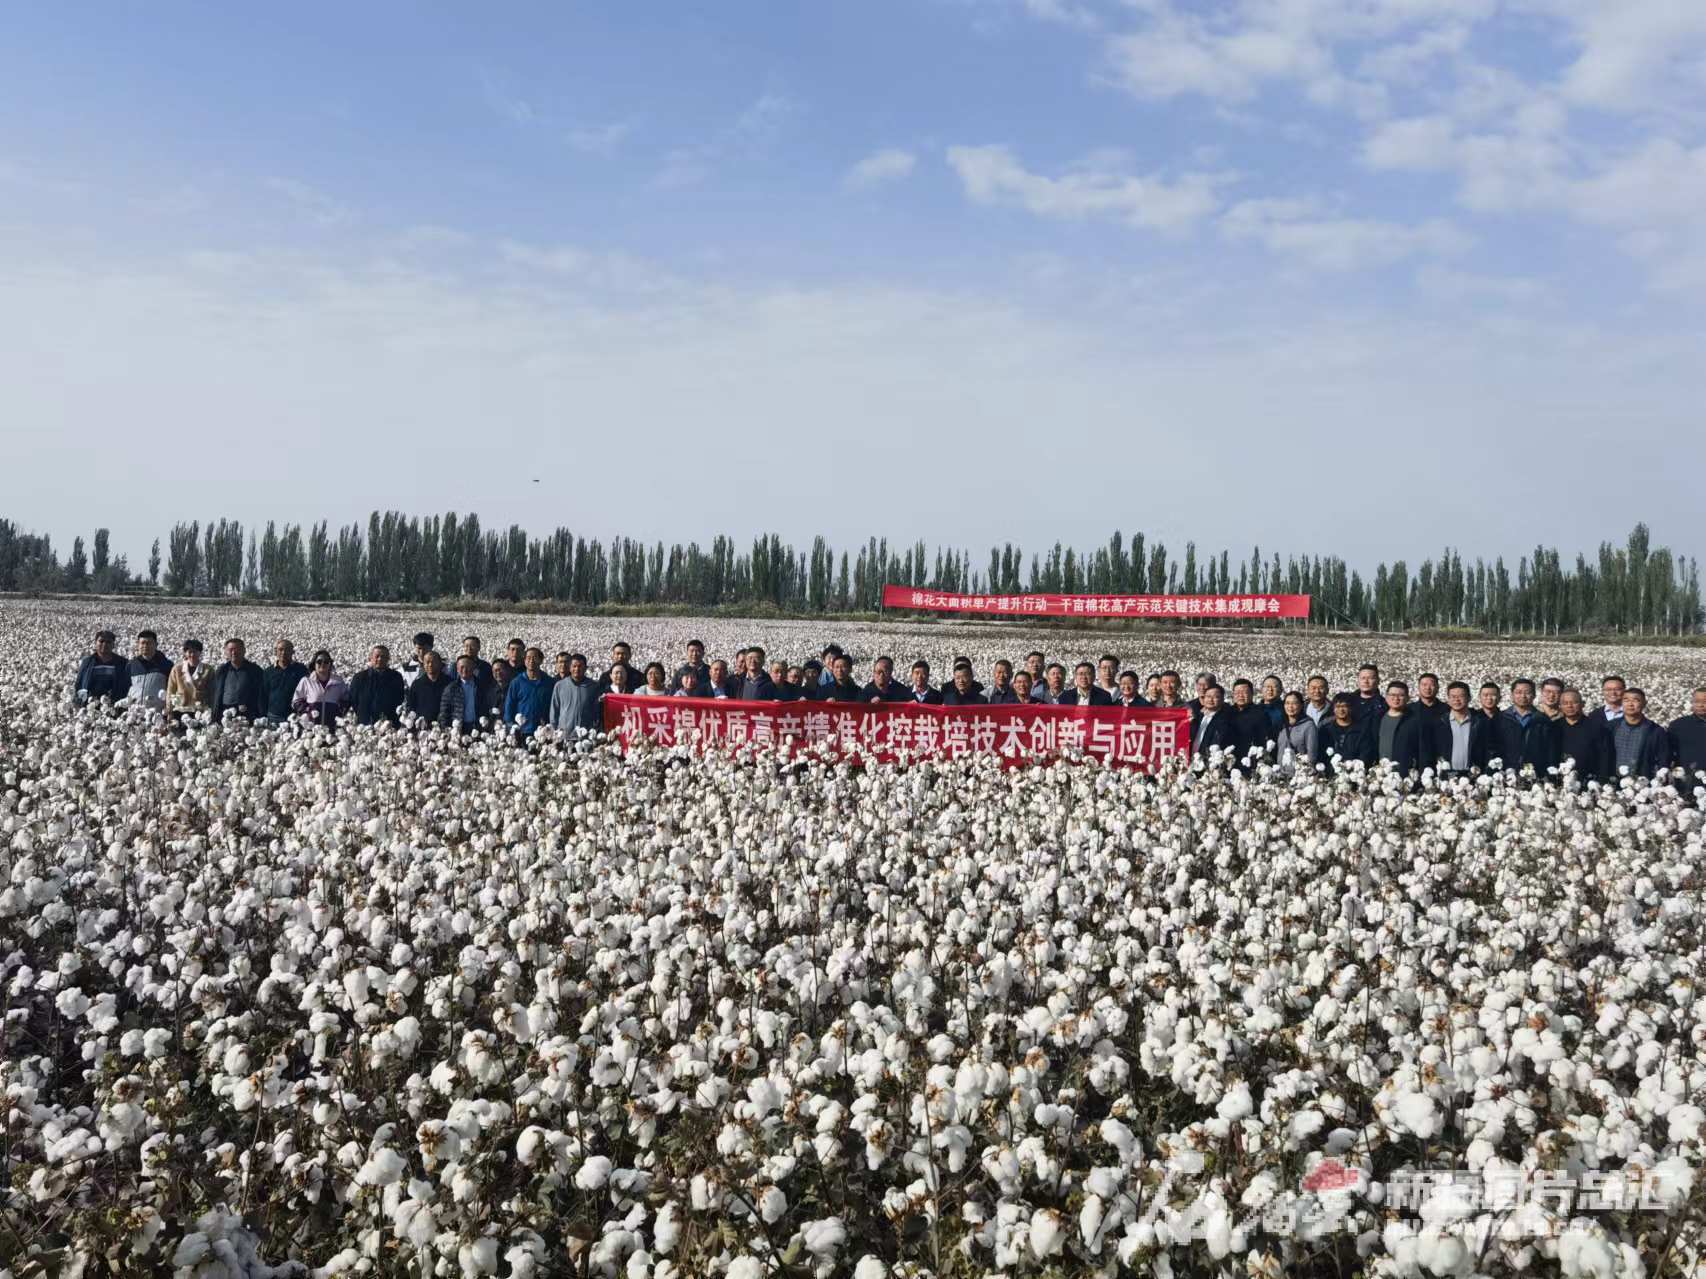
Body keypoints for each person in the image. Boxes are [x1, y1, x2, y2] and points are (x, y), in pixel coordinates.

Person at [1489, 678, 1559, 775]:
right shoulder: (1499, 719)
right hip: (1505, 773)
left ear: (1534, 695)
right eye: (1518, 692)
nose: (1523, 696)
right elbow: (1492, 749)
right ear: (1512, 695)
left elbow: (1550, 752)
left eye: (1527, 692)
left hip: (1534, 774)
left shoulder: (1543, 721)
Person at [1376, 681, 1435, 777]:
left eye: (1401, 695)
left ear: (1407, 698)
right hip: (1380, 774)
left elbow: (1423, 751)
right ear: (1386, 697)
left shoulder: (1416, 721)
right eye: (1392, 695)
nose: (1396, 698)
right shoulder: (1378, 718)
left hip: (1406, 775)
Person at [1609, 688, 1669, 779]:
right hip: (1613, 781)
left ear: (1644, 703)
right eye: (1626, 700)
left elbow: (1663, 759)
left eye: (1636, 700)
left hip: (1642, 782)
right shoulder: (1610, 727)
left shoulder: (1655, 731)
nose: (1630, 704)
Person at [503, 647, 558, 740]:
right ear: (524, 661)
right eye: (528, 658)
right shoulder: (517, 682)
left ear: (541, 660)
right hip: (522, 731)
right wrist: (511, 727)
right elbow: (509, 706)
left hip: (543, 732)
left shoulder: (549, 682)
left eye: (535, 658)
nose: (531, 661)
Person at [1556, 687, 1609, 783]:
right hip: (1560, 780)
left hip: (1589, 780)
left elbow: (1604, 756)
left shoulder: (1596, 727)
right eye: (1565, 703)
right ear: (1560, 706)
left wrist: (1601, 780)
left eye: (1574, 702)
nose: (1569, 706)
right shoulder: (1554, 727)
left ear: (1582, 704)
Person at [441, 653, 501, 734]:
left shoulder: (482, 686)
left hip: (479, 727)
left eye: (468, 667)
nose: (465, 670)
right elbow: (444, 712)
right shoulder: (451, 688)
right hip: (458, 729)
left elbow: (489, 706)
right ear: (457, 669)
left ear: (473, 668)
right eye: (462, 667)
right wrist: (446, 729)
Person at [1318, 693, 1378, 775]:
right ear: (1333, 709)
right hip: (1330, 775)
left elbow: (1365, 755)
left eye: (1344, 706)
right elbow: (1321, 755)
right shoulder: (1326, 730)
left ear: (1351, 708)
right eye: (1338, 706)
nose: (1341, 710)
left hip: (1354, 774)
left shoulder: (1362, 730)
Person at [207, 638, 264, 722]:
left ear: (244, 650)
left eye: (237, 649)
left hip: (248, 713)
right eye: (230, 650)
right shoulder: (221, 671)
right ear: (226, 652)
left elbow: (261, 694)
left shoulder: (255, 670)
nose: (233, 652)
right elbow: (215, 693)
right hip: (225, 714)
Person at [349, 645, 407, 727]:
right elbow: (354, 700)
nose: (380, 659)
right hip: (365, 725)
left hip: (389, 724)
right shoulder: (359, 678)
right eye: (377, 656)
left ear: (388, 659)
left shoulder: (396, 677)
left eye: (383, 657)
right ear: (370, 658)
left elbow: (399, 699)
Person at [1441, 682, 1491, 774]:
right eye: (1453, 696)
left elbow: (1487, 749)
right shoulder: (1441, 722)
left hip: (1473, 774)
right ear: (1448, 699)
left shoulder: (1480, 722)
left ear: (1469, 698)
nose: (1457, 700)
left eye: (1461, 696)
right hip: (1447, 775)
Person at [291, 651, 350, 728]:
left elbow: (346, 700)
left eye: (326, 662)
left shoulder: (338, 682)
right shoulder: (306, 681)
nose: (322, 664)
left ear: (330, 664)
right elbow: (296, 701)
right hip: (311, 728)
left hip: (332, 728)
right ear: (314, 664)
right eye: (319, 662)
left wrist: (339, 711)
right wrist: (308, 711)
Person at [550, 653, 602, 736]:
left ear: (585, 668)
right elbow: (554, 709)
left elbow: (596, 710)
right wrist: (554, 730)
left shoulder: (593, 686)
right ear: (570, 668)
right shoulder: (560, 685)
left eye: (580, 666)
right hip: (564, 734)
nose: (577, 669)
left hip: (585, 735)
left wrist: (594, 729)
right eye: (574, 666)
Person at [74, 630, 130, 704]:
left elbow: (128, 686)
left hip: (114, 706)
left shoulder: (123, 663)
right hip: (90, 705)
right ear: (95, 643)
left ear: (113, 645)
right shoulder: (87, 662)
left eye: (108, 642)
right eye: (101, 641)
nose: (104, 644)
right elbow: (79, 684)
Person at [261, 639, 309, 725]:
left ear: (292, 652)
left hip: (294, 717)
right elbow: (263, 694)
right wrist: (263, 715)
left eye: (287, 650)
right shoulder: (268, 672)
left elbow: (306, 692)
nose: (283, 652)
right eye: (280, 649)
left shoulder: (301, 670)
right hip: (273, 716)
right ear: (276, 651)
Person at [1226, 678, 1274, 761]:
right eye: (1237, 693)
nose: (1240, 695)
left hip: (1250, 758)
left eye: (1244, 692)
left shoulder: (1260, 714)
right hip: (1228, 758)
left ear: (1252, 694)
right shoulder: (1228, 712)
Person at [126, 630, 172, 711]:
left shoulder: (166, 665)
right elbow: (126, 687)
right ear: (138, 645)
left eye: (149, 643)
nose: (145, 646)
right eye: (142, 643)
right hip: (134, 712)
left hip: (157, 713)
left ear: (156, 645)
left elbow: (172, 689)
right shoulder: (131, 665)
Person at [165, 640, 212, 719]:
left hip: (200, 712)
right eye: (190, 652)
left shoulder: (208, 670)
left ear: (200, 652)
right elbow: (171, 691)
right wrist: (170, 710)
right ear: (185, 653)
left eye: (195, 652)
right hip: (180, 710)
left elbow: (211, 692)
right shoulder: (177, 669)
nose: (192, 655)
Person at [405, 650, 452, 725]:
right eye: (427, 662)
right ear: (423, 664)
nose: (430, 665)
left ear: (440, 664)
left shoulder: (450, 683)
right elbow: (411, 706)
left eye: (433, 662)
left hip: (445, 725)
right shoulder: (417, 684)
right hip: (422, 726)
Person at [1191, 684, 1238, 759]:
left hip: (1209, 760)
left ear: (1222, 699)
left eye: (1216, 697)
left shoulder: (1226, 719)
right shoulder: (1197, 716)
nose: (1210, 700)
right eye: (1208, 696)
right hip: (1190, 759)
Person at [1274, 691, 1318, 773]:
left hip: (1300, 774)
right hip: (1281, 774)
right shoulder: (1281, 725)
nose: (1290, 706)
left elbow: (1312, 754)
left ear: (1301, 705)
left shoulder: (1308, 725)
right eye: (1287, 703)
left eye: (1294, 703)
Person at [1668, 687, 1706, 780]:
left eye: (1705, 702)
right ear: (1692, 702)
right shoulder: (1678, 725)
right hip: (1686, 781)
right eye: (1697, 701)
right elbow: (1669, 754)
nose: (1700, 705)